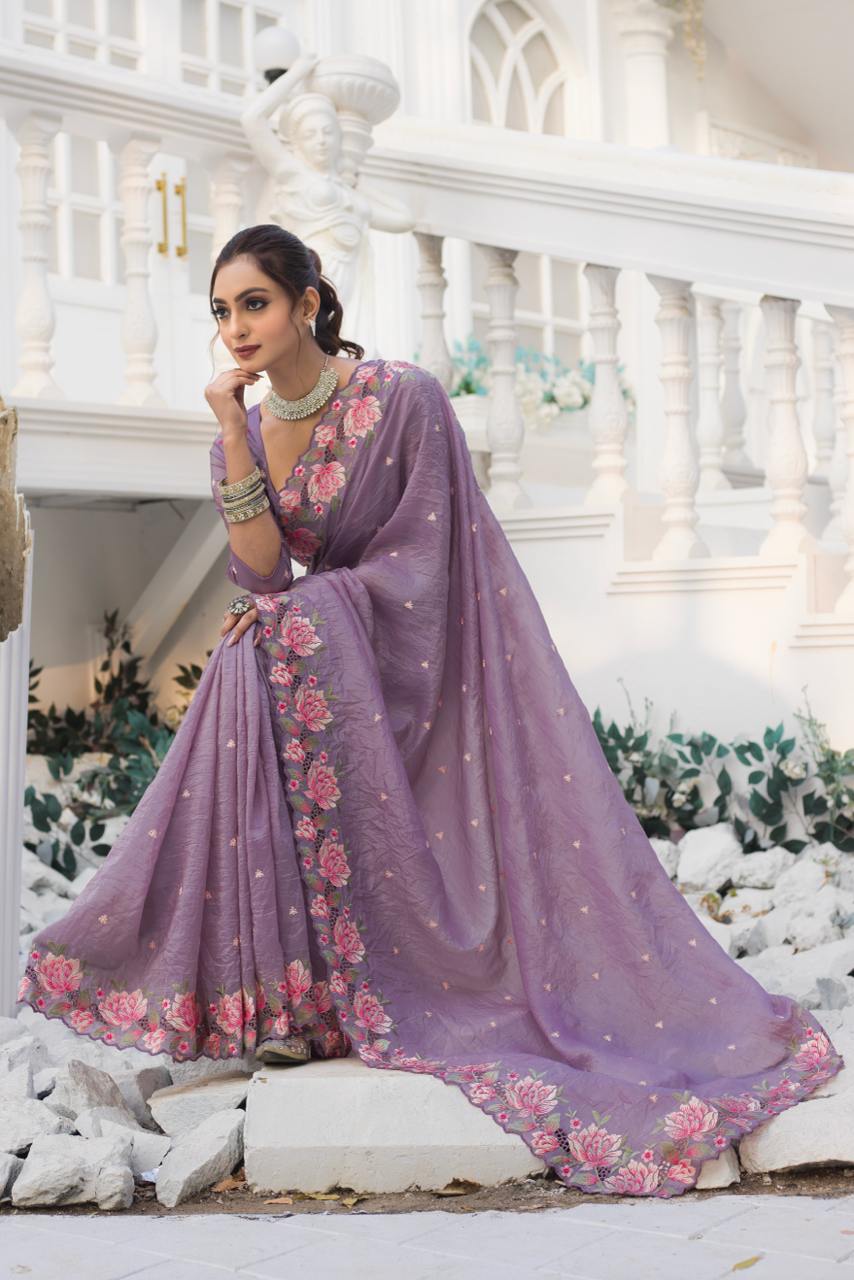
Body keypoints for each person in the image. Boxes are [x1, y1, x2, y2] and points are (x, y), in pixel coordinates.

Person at [17, 224, 843, 1198]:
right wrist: (233, 429)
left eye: (256, 303)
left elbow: (430, 560)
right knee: (252, 640)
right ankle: (289, 995)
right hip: (334, 654)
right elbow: (262, 572)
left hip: (419, 648)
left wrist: (314, 612)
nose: (236, 326)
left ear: (307, 303)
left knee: (272, 634)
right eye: (222, 310)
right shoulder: (244, 427)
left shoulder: (400, 398)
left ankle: (323, 989)